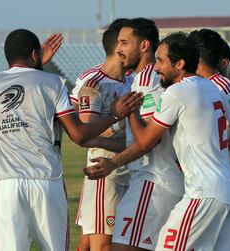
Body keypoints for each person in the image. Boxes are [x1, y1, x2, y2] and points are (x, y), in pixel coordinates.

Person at [0, 29, 141, 251]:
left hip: (5, 183)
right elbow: (79, 134)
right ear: (35, 55)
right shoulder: (52, 82)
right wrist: (112, 115)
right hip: (46, 180)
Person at [88, 32, 230, 251]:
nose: (156, 67)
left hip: (202, 191)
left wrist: (131, 110)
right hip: (229, 191)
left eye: (160, 61)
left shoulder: (178, 92)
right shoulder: (210, 87)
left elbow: (144, 142)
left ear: (179, 63)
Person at [86, 18, 184, 251]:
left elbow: (149, 139)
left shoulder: (149, 80)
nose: (118, 49)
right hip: (148, 179)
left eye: (124, 43)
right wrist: (100, 140)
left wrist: (112, 163)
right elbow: (137, 137)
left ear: (144, 46)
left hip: (153, 180)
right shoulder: (141, 79)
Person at [188, 28, 230, 246]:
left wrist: (207, 142)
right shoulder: (221, 85)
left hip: (208, 181)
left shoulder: (216, 86)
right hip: (221, 178)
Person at [73, 18, 133, 251]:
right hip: (105, 173)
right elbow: (85, 131)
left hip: (126, 168)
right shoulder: (93, 82)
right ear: (119, 46)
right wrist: (120, 123)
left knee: (87, 242)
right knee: (103, 243)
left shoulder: (132, 80)